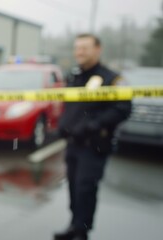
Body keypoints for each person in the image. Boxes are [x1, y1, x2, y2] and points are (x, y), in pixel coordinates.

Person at [55, 34, 131, 240]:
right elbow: (71, 106)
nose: (79, 52)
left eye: (84, 48)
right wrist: (63, 126)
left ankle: (83, 231)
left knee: (85, 188)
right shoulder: (75, 76)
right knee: (72, 186)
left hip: (94, 145)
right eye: (77, 48)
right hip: (73, 144)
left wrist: (93, 125)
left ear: (98, 49)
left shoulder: (112, 79)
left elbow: (123, 108)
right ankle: (74, 225)